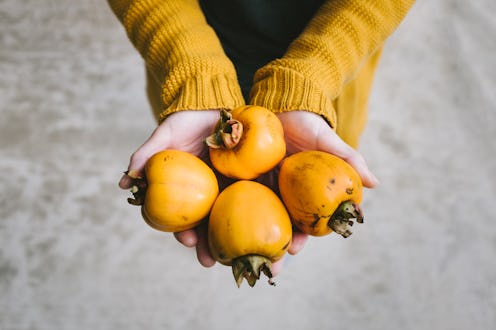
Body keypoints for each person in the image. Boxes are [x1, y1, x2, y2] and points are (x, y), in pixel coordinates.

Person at [109, 0, 415, 276]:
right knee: (268, 231)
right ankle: (258, 239)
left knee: (280, 227)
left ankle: (258, 238)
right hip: (196, 61)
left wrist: (313, 75)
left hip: (325, 85)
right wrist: (191, 73)